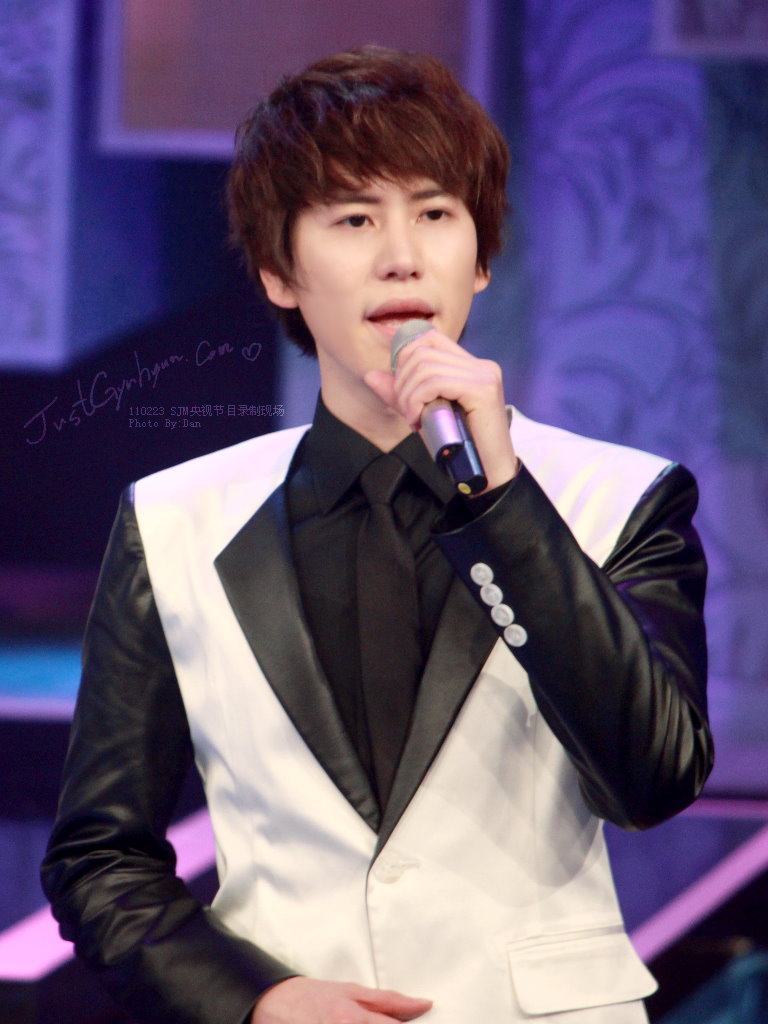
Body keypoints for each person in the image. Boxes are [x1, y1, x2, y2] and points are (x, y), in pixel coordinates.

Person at [41, 46, 713, 1024]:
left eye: (435, 214)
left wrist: (504, 501)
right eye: (354, 219)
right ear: (279, 272)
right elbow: (99, 856)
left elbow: (652, 778)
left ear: (479, 260)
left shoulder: (619, 497)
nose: (402, 255)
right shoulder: (175, 516)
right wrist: (258, 1001)